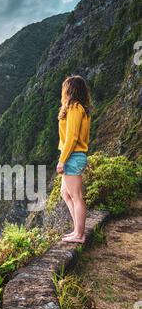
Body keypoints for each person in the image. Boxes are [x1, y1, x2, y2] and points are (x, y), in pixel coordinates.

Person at [56, 75, 91, 243]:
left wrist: (62, 160)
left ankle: (80, 234)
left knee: (76, 196)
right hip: (72, 155)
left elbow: (72, 137)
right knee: (66, 193)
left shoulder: (75, 108)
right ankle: (77, 230)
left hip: (73, 156)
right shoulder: (75, 108)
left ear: (69, 90)